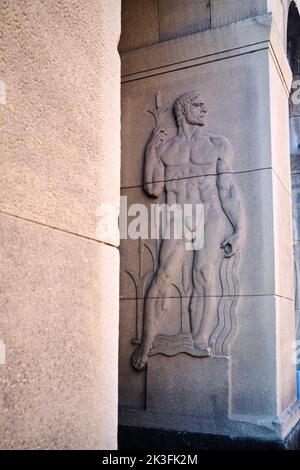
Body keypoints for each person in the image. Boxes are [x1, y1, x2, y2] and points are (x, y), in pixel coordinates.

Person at [132, 91, 244, 371]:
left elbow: (227, 189)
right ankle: (147, 342)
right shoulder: (165, 149)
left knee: (203, 274)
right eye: (198, 105)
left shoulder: (218, 145)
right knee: (163, 275)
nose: (204, 108)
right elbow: (152, 189)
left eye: (204, 104)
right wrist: (149, 152)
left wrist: (239, 228)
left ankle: (200, 340)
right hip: (179, 215)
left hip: (210, 215)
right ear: (183, 110)